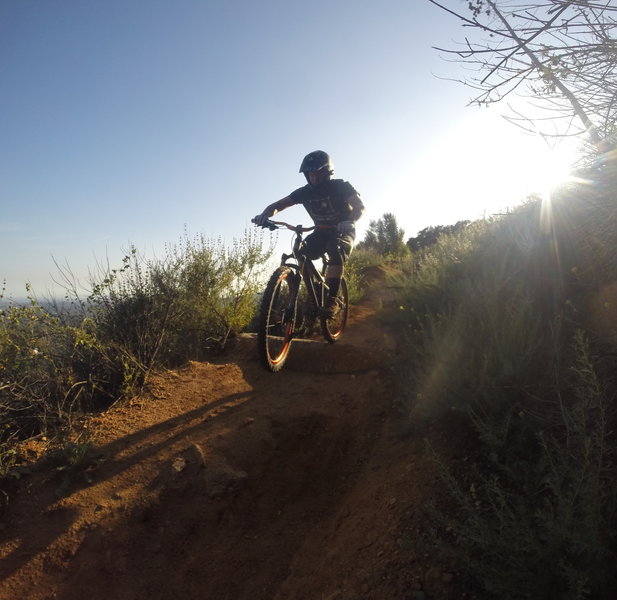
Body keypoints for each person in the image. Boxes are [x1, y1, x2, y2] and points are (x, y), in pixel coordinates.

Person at [253, 150, 364, 318]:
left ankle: (332, 299)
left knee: (335, 249)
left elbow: (359, 206)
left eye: (318, 174)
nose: (314, 178)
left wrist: (351, 220)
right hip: (320, 231)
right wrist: (265, 215)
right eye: (310, 174)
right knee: (301, 252)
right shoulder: (304, 192)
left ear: (327, 173)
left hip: (343, 230)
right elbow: (279, 205)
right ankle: (317, 289)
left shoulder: (341, 186)